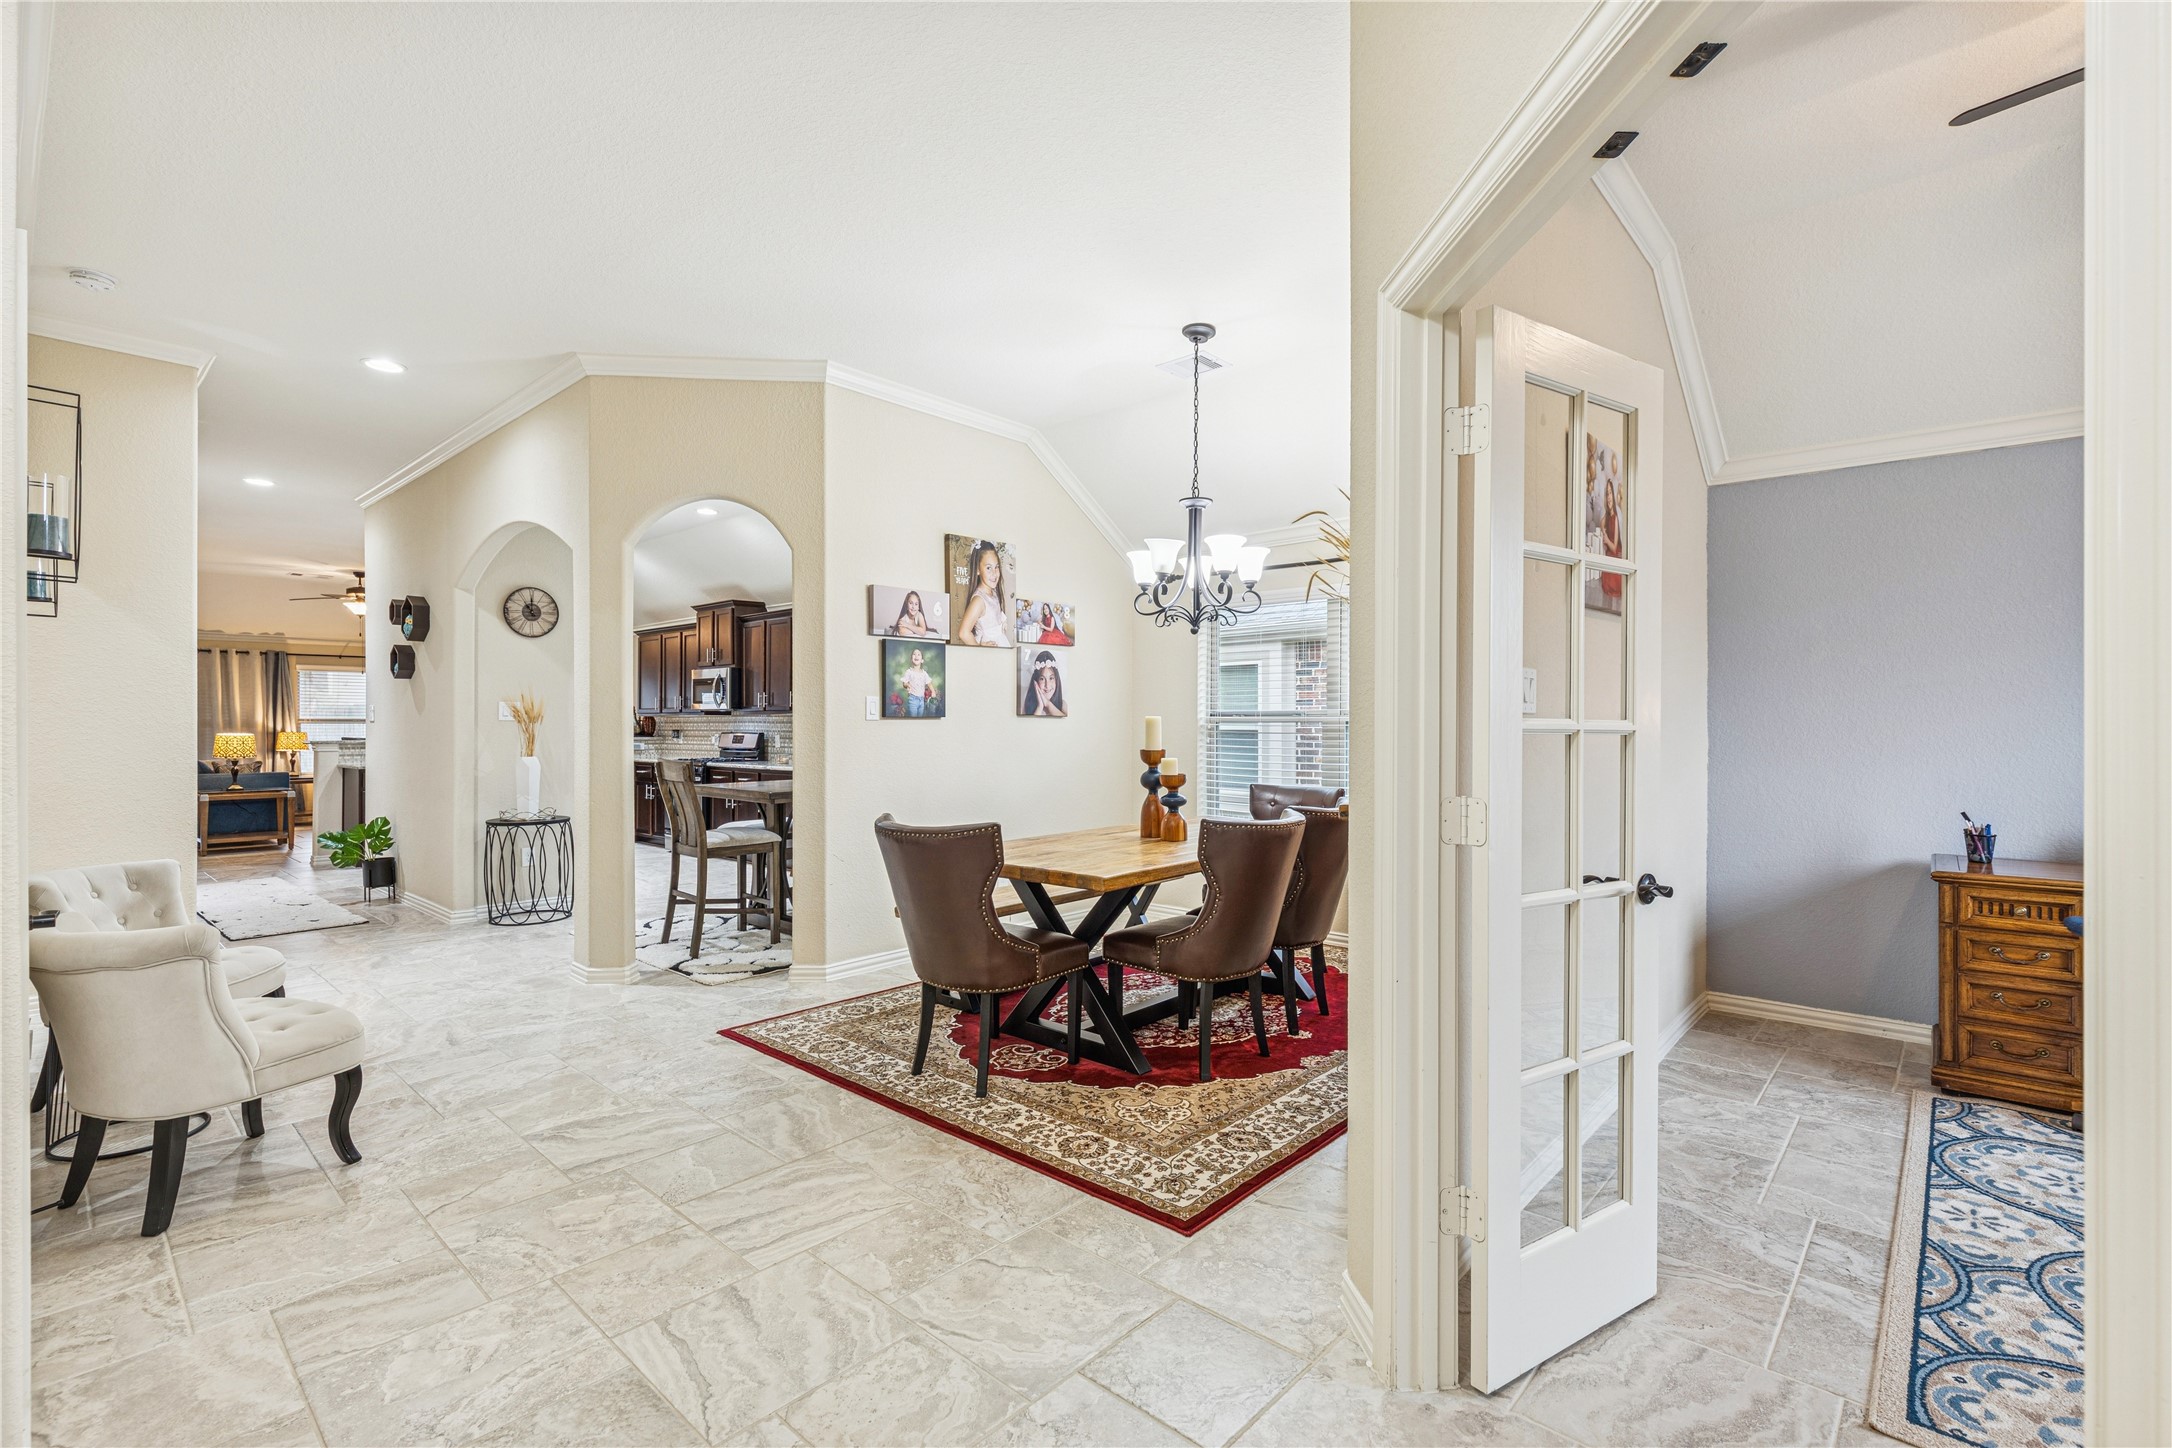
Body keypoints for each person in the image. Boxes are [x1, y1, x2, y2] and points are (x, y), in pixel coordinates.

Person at [959, 541, 1011, 647]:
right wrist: (979, 648)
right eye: (988, 568)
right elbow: (963, 633)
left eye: (996, 567)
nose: (994, 573)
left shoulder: (993, 593)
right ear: (978, 570)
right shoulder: (979, 600)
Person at [1023, 650, 1066, 717]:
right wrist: (1040, 706)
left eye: (1051, 678)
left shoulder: (1062, 704)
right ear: (1036, 681)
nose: (1047, 685)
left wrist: (1048, 704)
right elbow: (1030, 726)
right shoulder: (1027, 706)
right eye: (1042, 679)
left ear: (1056, 679)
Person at [899, 648, 937, 718]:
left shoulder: (924, 673)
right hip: (913, 699)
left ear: (922, 660)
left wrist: (933, 691)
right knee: (913, 718)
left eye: (919, 654)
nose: (916, 656)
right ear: (911, 659)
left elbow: (929, 683)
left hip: (921, 700)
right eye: (914, 654)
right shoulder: (909, 672)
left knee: (920, 718)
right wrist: (907, 685)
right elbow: (904, 683)